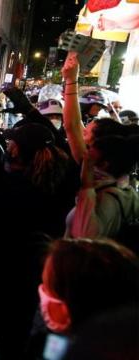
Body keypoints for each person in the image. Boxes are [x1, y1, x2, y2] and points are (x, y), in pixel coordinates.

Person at [0, 87, 76, 360]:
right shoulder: (62, 184)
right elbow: (58, 142)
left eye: (13, 144)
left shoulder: (4, 184)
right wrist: (26, 106)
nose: (9, 146)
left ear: (18, 153)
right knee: (15, 343)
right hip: (28, 283)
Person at [61, 52, 139, 245]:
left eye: (86, 135)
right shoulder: (126, 186)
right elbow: (73, 124)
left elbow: (71, 126)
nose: (81, 137)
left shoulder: (96, 180)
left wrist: (71, 80)